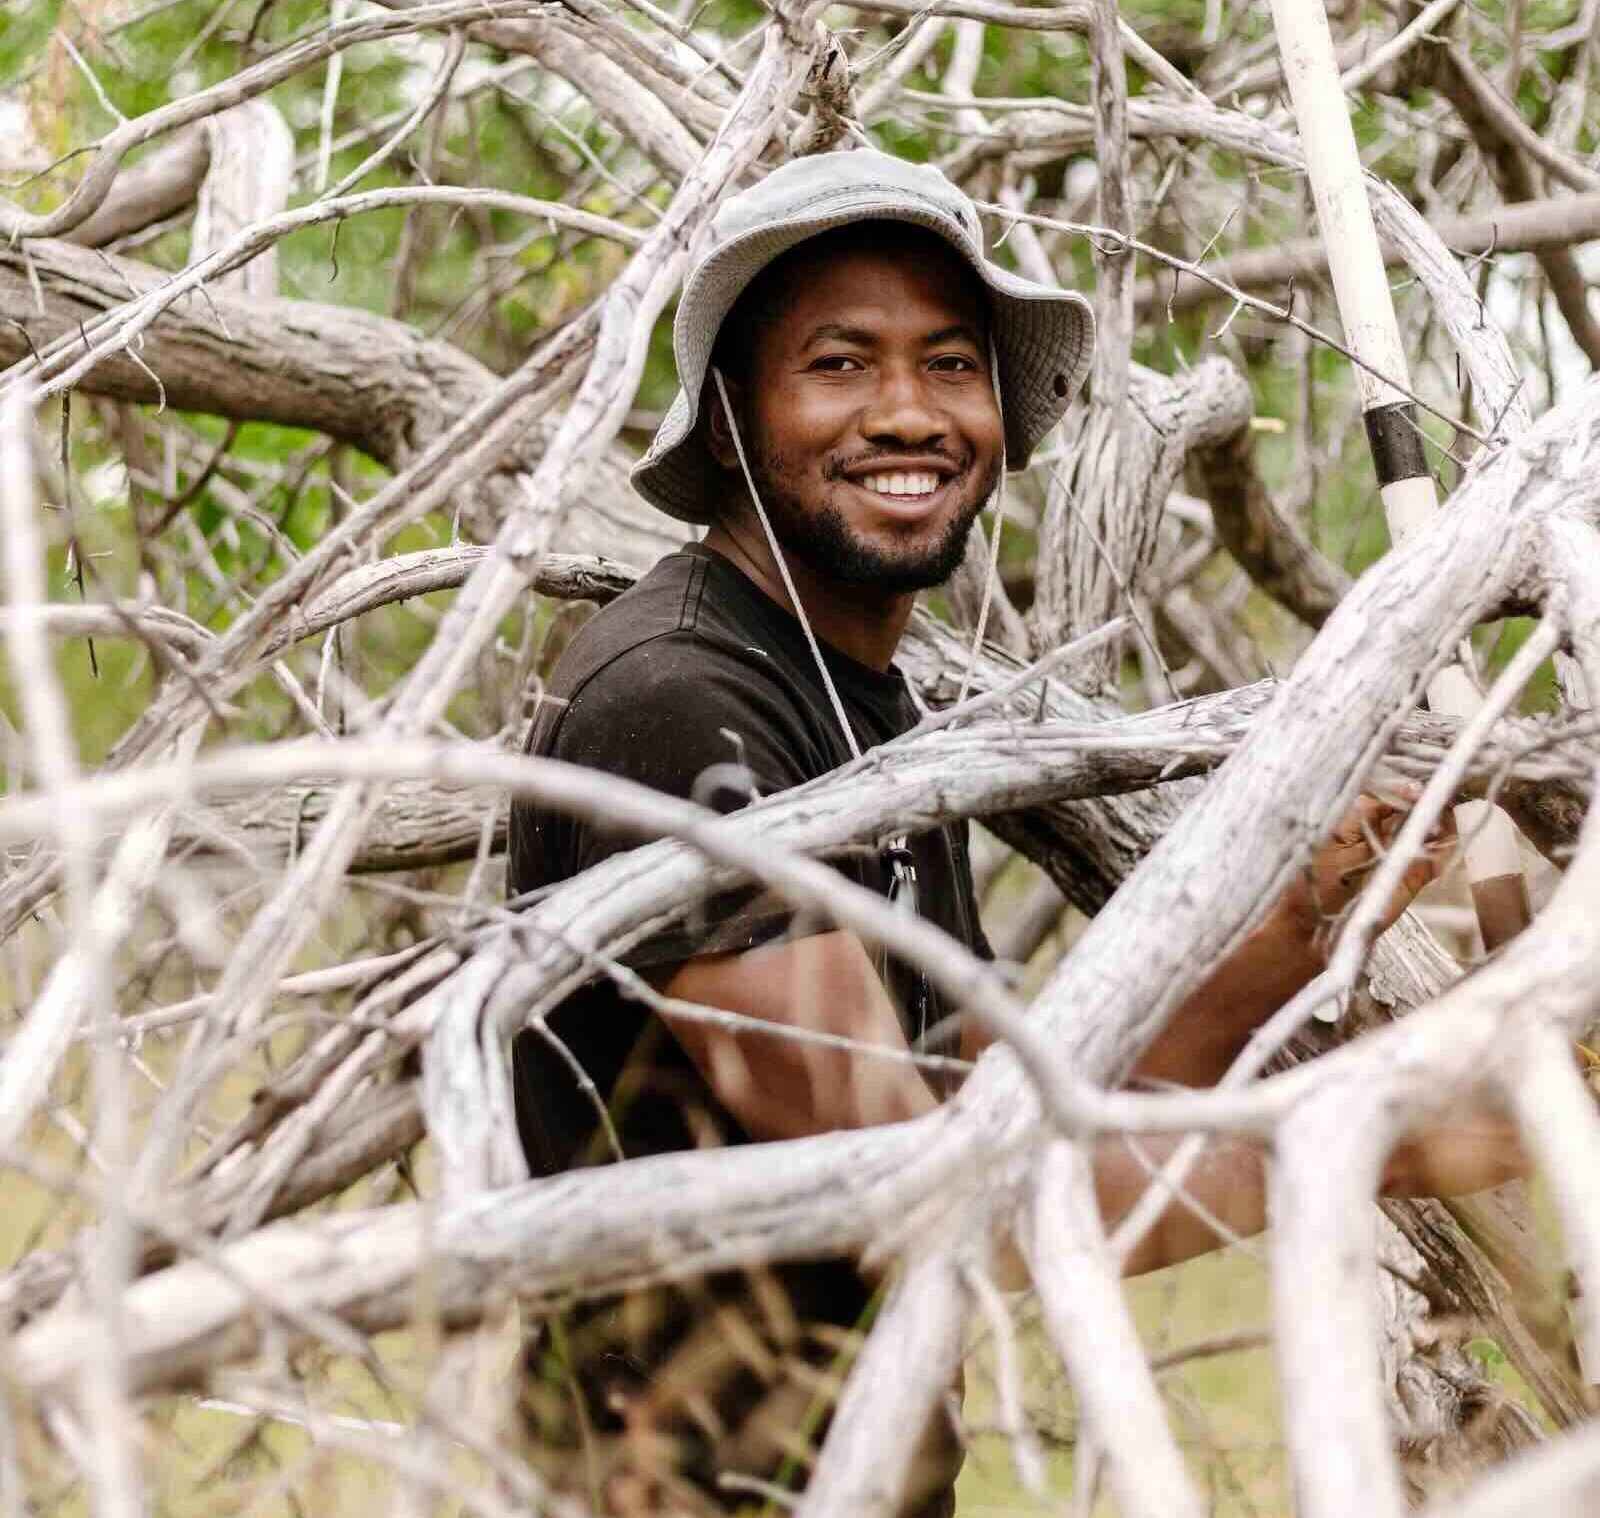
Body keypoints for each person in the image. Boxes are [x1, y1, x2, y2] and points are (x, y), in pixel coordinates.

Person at [505, 150, 1516, 1516]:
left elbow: (985, 1088)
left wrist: (1305, 923)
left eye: (951, 364)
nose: (909, 413)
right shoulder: (686, 708)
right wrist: (1392, 1141)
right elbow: (935, 1187)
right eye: (841, 364)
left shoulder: (852, 693)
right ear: (735, 415)